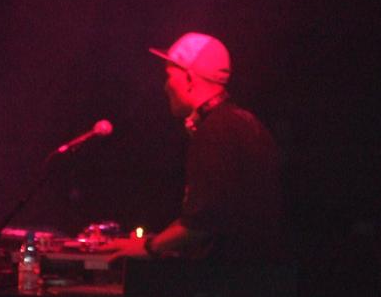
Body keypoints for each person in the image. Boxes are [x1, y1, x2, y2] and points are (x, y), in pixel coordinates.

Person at [106, 32, 283, 262]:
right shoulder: (241, 123)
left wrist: (149, 248)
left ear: (189, 78)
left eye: (169, 76)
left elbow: (203, 222)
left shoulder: (216, 131)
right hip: (259, 274)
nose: (165, 87)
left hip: (229, 278)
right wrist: (152, 241)